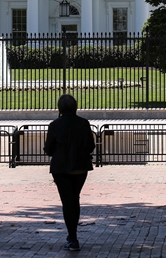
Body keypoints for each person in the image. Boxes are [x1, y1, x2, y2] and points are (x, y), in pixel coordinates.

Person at [44, 94, 95, 252]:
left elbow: (49, 149)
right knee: (75, 199)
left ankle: (72, 237)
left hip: (61, 168)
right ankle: (72, 236)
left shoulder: (55, 124)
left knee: (67, 202)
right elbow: (90, 145)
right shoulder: (84, 123)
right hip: (80, 166)